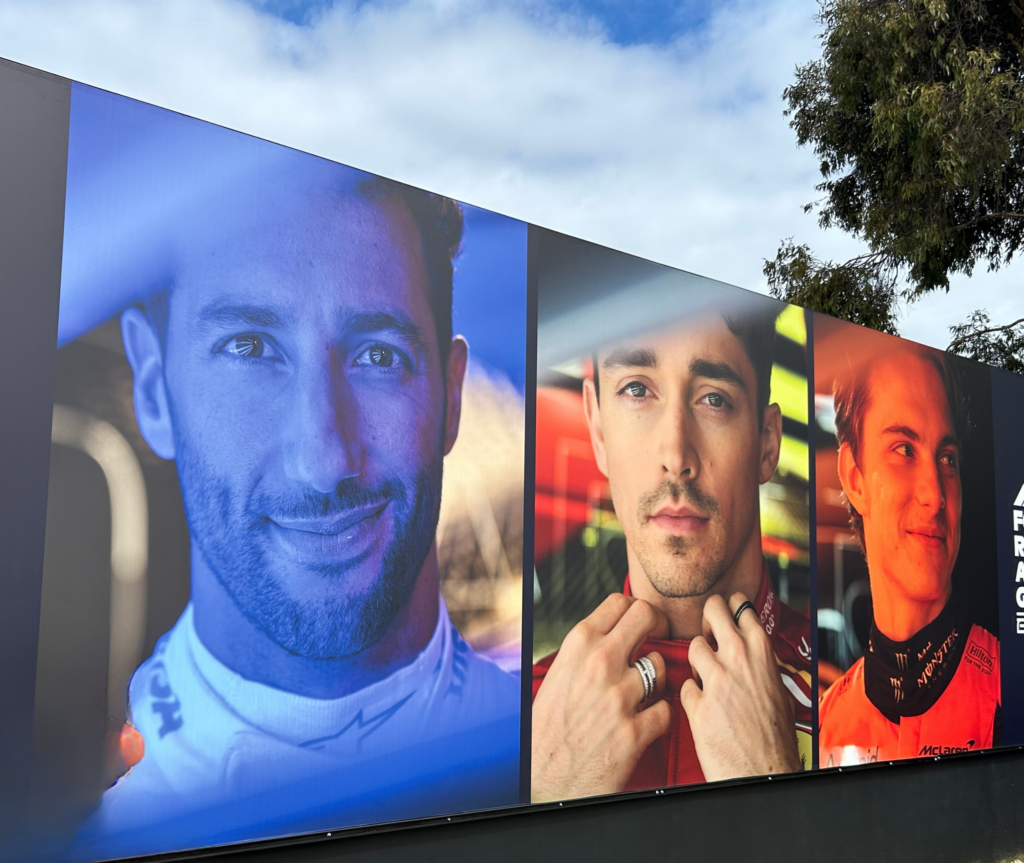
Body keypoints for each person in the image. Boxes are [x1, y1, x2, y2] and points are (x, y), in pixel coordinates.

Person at [71, 168, 520, 859]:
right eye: (249, 348)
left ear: (451, 398)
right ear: (156, 386)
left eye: (378, 355)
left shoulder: (551, 754)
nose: (324, 457)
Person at [531, 307, 812, 802]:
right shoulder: (529, 720)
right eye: (637, 389)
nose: (676, 456)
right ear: (597, 426)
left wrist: (775, 784)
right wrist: (546, 792)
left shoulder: (857, 698)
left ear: (767, 443)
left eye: (713, 399)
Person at [818, 346, 1000, 766]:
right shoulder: (827, 721)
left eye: (947, 459)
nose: (935, 495)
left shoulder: (1008, 690)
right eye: (904, 449)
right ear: (854, 478)